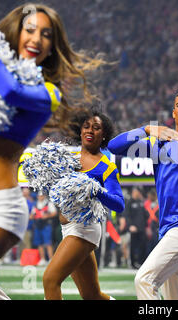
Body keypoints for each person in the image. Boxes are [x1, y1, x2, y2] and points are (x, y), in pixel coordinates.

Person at [0, 3, 102, 299]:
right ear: (16, 32)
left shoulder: (48, 91)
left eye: (46, 34)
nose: (37, 39)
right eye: (30, 30)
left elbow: (11, 92)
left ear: (53, 46)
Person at [108, 89, 178, 300]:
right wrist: (146, 129)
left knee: (145, 280)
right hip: (169, 227)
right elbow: (114, 146)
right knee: (177, 297)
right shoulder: (157, 142)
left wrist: (169, 140)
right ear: (174, 113)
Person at [43, 109, 124, 300]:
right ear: (80, 131)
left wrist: (95, 189)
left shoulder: (106, 166)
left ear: (103, 135)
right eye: (86, 126)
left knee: (50, 279)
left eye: (96, 128)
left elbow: (119, 204)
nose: (90, 130)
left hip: (84, 229)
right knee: (92, 295)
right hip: (68, 228)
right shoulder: (67, 159)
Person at [30, 192, 57, 265]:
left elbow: (54, 213)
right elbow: (32, 214)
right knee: (39, 243)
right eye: (39, 196)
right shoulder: (35, 204)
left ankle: (51, 259)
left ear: (44, 196)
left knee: (48, 243)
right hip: (37, 225)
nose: (40, 197)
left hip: (46, 225)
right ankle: (43, 259)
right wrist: (31, 216)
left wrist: (47, 216)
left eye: (41, 196)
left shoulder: (49, 203)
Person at [125, 187, 149, 269]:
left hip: (141, 228)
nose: (136, 193)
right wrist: (130, 226)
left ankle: (141, 262)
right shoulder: (129, 202)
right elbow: (127, 216)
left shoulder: (141, 202)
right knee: (133, 246)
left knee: (142, 245)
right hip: (133, 229)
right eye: (135, 192)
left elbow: (146, 215)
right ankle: (132, 263)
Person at [144, 188, 160, 256]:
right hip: (148, 227)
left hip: (156, 228)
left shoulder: (159, 204)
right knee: (148, 246)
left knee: (156, 246)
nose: (148, 198)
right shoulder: (147, 204)